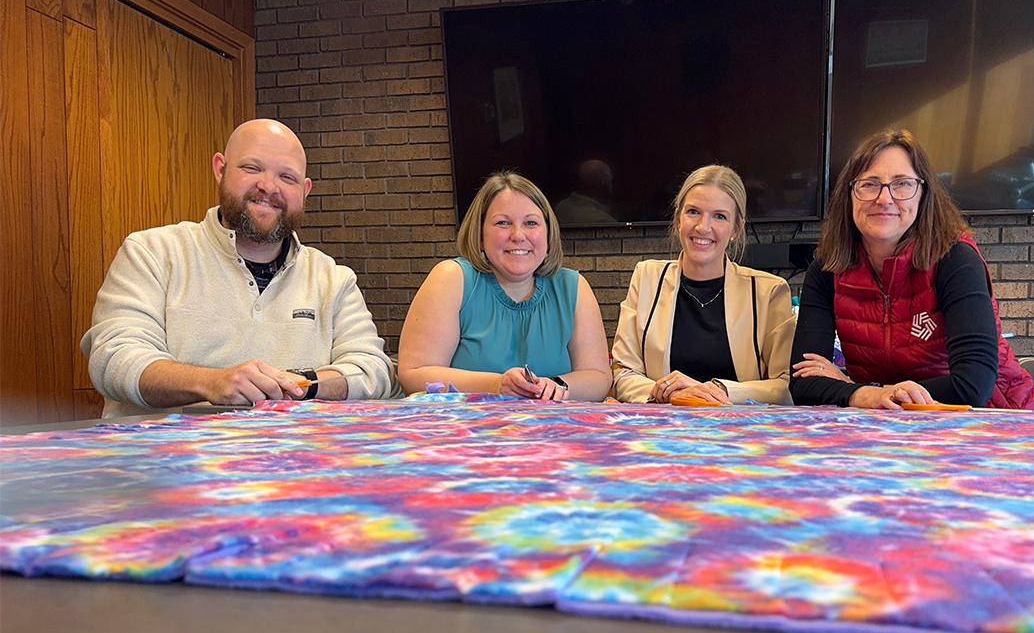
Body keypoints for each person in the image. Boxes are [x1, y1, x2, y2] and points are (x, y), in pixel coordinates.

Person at [82, 119, 392, 417]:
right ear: (220, 168)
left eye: (287, 177)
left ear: (305, 190)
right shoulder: (152, 253)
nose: (268, 186)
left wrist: (298, 383)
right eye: (252, 168)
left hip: (297, 459)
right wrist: (212, 382)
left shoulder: (333, 278)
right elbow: (114, 360)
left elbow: (374, 370)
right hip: (166, 460)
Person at [789, 129, 1034, 410]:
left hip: (994, 421)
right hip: (888, 424)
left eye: (902, 184)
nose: (884, 199)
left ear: (923, 195)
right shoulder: (827, 268)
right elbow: (803, 383)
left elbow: (972, 386)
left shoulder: (956, 259)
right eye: (869, 184)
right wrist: (873, 395)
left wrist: (861, 390)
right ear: (848, 196)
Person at [396, 171, 612, 401]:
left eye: (531, 223)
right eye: (503, 223)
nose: (518, 235)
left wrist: (556, 386)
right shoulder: (451, 278)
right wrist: (497, 385)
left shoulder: (573, 286)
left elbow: (599, 377)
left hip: (552, 431)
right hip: (464, 431)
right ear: (479, 235)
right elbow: (414, 375)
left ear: (548, 235)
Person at [611, 165, 796, 405]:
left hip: (740, 431)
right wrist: (673, 392)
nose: (702, 227)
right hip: (660, 429)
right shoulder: (646, 276)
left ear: (736, 229)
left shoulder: (769, 291)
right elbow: (623, 371)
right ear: (678, 219)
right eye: (693, 212)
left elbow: (786, 385)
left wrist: (718, 390)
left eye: (719, 216)